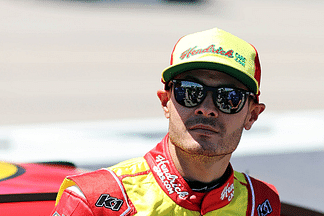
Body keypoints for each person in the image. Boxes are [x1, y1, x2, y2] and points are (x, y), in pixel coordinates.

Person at [51, 28, 280, 216]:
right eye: (190, 92)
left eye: (228, 98)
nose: (207, 108)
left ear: (252, 115)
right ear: (165, 102)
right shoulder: (94, 200)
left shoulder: (261, 203)